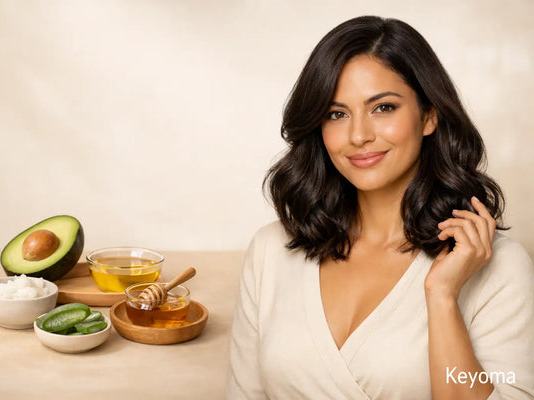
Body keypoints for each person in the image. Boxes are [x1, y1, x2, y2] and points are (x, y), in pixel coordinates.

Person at [227, 16, 534, 400]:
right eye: (336, 114)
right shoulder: (272, 250)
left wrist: (442, 296)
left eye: (383, 108)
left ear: (429, 115)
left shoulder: (499, 268)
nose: (358, 135)